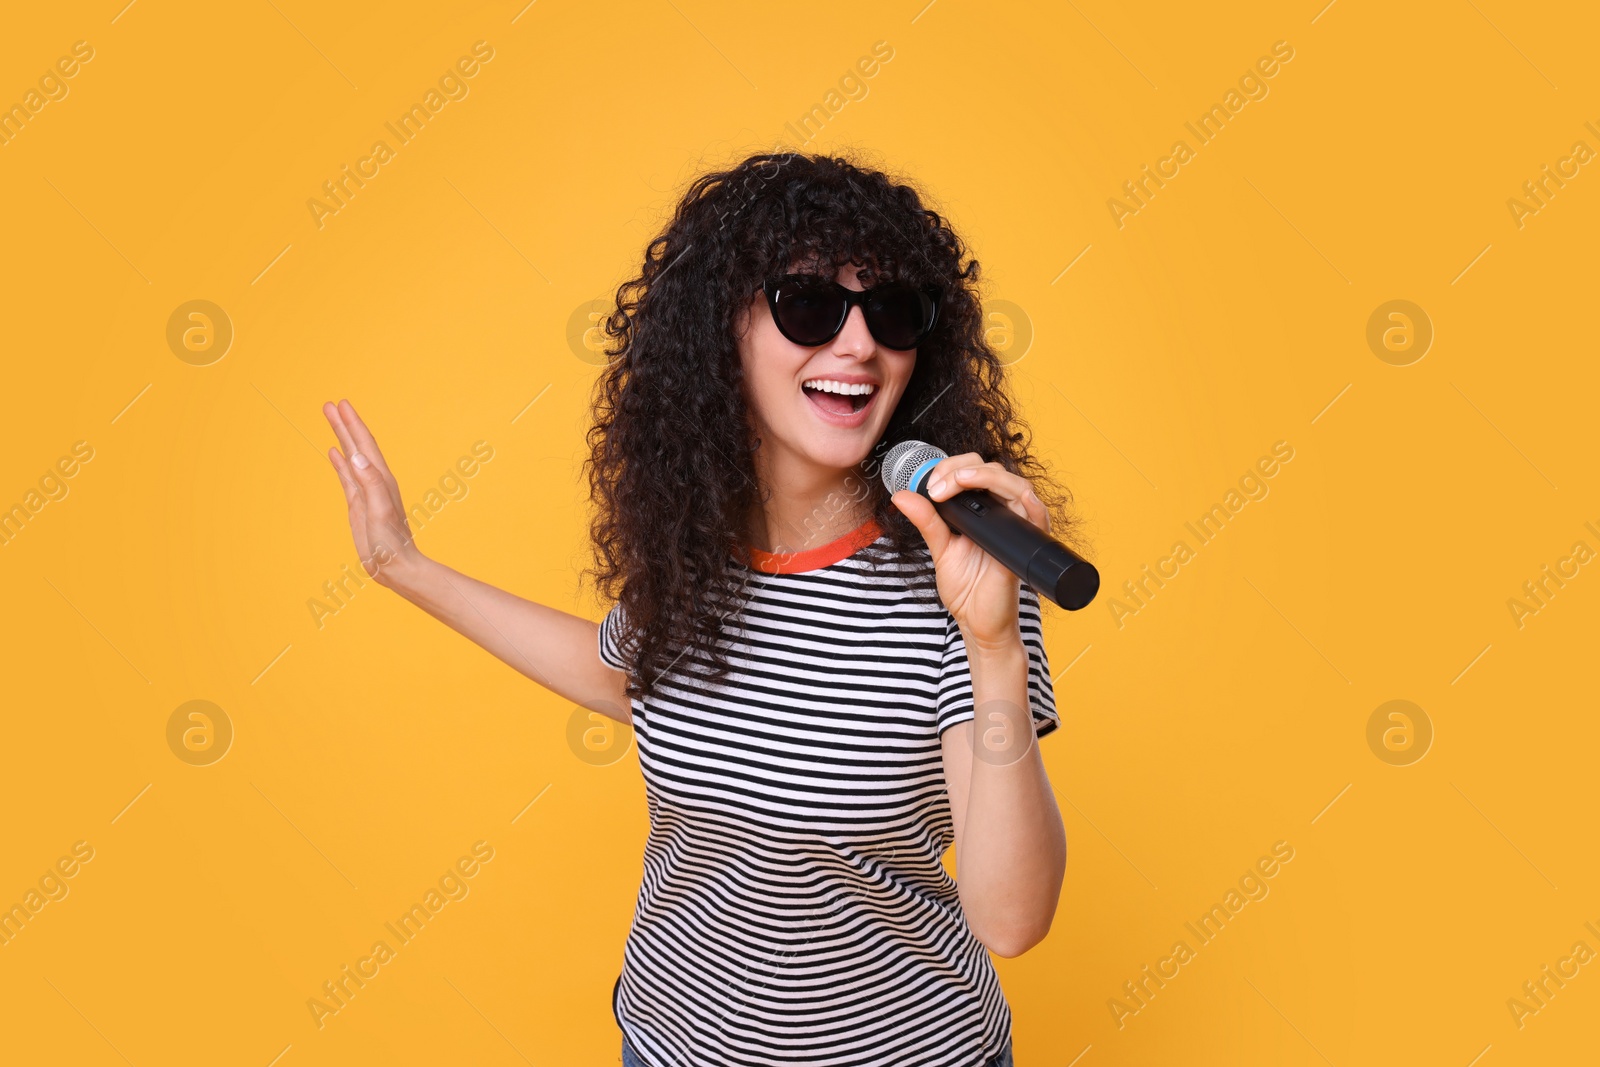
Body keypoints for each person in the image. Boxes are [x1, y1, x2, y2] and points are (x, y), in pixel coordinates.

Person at [322, 151, 1081, 1067]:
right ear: (721, 330)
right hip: (671, 1044)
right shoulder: (696, 546)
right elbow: (624, 674)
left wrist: (994, 644)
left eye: (891, 313)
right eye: (809, 304)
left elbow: (1010, 920)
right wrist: (405, 566)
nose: (857, 345)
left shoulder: (960, 575)